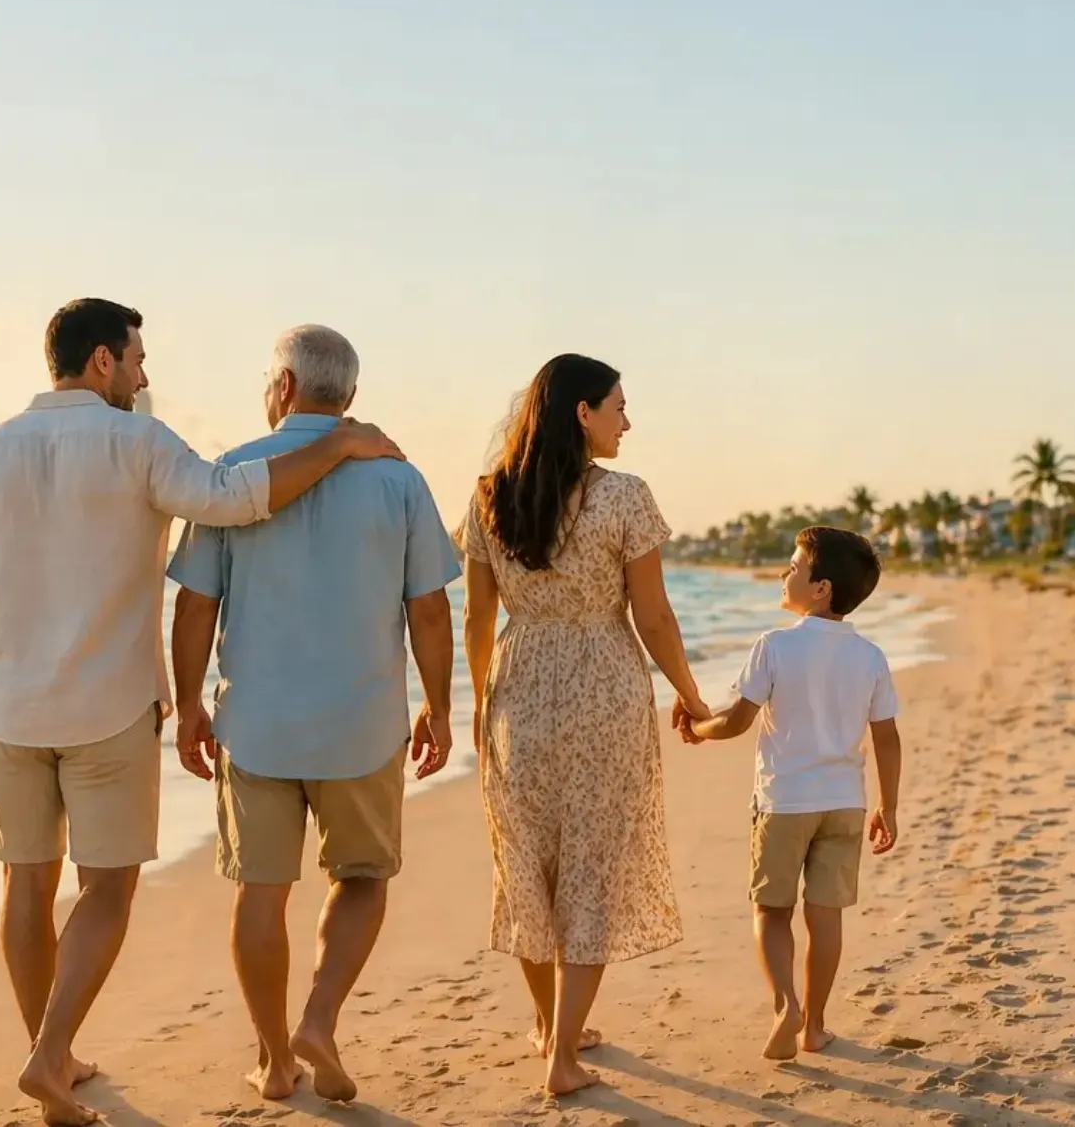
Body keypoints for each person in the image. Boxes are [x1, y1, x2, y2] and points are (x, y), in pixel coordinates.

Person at [0, 298, 403, 1126]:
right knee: (105, 891)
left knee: (24, 886)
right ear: (102, 360)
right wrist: (341, 442)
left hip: (6, 708)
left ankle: (55, 1055)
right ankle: (48, 1057)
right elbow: (233, 498)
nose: (145, 375)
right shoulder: (137, 441)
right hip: (108, 706)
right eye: (137, 359)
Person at [168, 325, 461, 1105]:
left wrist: (190, 702)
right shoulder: (398, 480)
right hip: (361, 724)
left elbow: (195, 606)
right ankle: (319, 1020)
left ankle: (272, 1061)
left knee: (259, 891)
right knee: (361, 876)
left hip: (256, 724)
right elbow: (430, 613)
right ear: (350, 398)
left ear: (284, 387)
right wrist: (438, 707)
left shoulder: (229, 474)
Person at [460, 354, 712, 1097]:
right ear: (581, 412)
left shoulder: (487, 496)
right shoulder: (624, 498)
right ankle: (561, 1055)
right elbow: (653, 615)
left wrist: (476, 702)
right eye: (618, 407)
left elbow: (477, 616)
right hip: (602, 681)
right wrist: (691, 696)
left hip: (520, 686)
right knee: (591, 871)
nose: (626, 422)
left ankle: (548, 1027)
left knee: (528, 869)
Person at [681, 526, 903, 1061]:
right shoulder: (870, 656)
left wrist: (697, 725)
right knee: (826, 916)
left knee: (771, 910)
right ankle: (816, 1026)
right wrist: (886, 806)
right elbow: (887, 737)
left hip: (784, 802)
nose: (785, 574)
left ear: (821, 587)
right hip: (845, 802)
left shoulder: (774, 646)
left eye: (794, 567)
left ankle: (786, 1005)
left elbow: (736, 721)